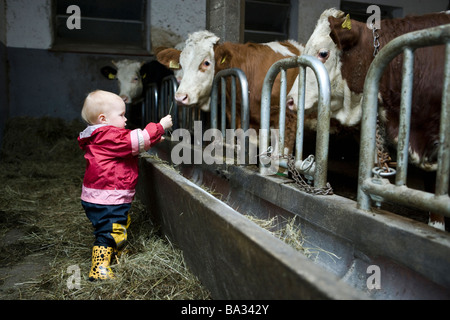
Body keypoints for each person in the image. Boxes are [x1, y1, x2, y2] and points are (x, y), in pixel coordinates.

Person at [78, 90, 172, 281]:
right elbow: (133, 141)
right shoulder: (108, 135)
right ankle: (98, 269)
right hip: (108, 196)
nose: (126, 119)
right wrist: (160, 127)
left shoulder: (101, 136)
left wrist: (151, 140)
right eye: (121, 115)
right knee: (108, 232)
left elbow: (131, 146)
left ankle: (116, 255)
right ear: (103, 118)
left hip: (102, 195)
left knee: (116, 225)